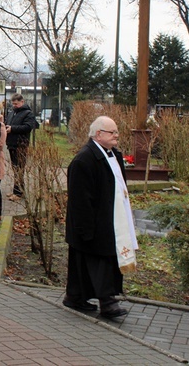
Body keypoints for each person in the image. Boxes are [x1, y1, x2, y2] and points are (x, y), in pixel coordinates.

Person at [64, 116, 137, 319]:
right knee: (99, 263)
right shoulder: (84, 160)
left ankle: (75, 297)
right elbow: (80, 199)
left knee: (82, 264)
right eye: (112, 132)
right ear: (98, 134)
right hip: (92, 223)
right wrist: (85, 229)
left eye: (116, 132)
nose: (117, 135)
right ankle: (108, 303)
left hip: (109, 219)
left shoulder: (112, 155)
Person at [5, 93, 37, 199]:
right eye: (13, 104)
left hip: (21, 144)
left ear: (22, 102)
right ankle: (18, 190)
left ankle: (18, 193)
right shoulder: (11, 113)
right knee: (15, 169)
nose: (14, 106)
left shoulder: (28, 114)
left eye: (16, 104)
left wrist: (12, 129)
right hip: (11, 144)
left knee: (19, 168)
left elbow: (28, 127)